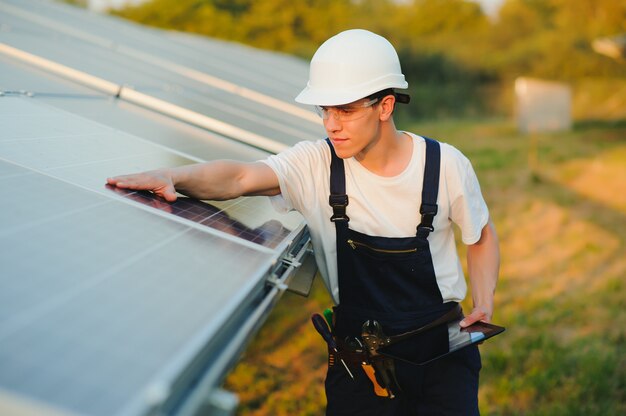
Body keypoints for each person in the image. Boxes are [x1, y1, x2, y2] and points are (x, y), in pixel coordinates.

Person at [107, 29, 499, 415]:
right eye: (324, 110)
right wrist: (175, 177)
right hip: (360, 359)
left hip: (441, 358)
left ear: (385, 106)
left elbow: (480, 237)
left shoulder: (444, 165)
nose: (331, 125)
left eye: (345, 110)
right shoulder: (316, 164)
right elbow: (241, 178)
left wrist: (483, 301)